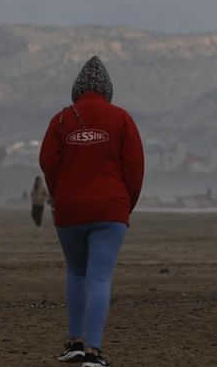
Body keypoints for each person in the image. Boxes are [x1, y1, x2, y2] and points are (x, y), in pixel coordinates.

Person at [39, 56, 144, 367]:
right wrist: (126, 205)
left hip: (70, 210)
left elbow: (48, 163)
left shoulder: (60, 120)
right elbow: (134, 168)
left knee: (76, 271)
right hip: (111, 209)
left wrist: (60, 195)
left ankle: (74, 341)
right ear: (107, 89)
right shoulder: (121, 118)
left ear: (77, 89)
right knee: (100, 277)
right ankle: (94, 353)